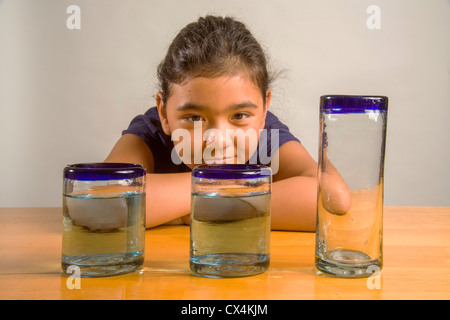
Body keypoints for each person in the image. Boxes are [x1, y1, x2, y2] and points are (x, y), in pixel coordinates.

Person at [105, 15, 324, 231]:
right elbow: (103, 203)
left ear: (264, 109)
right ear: (163, 113)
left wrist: (200, 210)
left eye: (239, 116)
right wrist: (238, 186)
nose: (218, 141)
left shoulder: (267, 134)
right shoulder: (149, 133)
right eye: (194, 118)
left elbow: (330, 195)